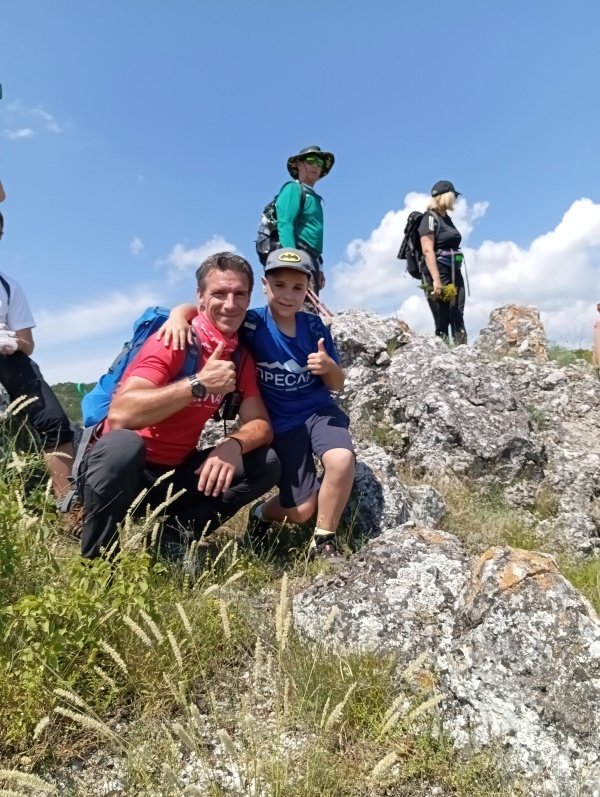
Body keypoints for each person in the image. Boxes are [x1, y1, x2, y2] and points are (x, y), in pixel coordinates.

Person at [78, 252, 280, 560]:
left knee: (266, 462)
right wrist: (198, 384)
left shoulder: (239, 358)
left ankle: (173, 537)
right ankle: (99, 562)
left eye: (240, 294)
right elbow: (121, 415)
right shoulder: (174, 340)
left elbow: (260, 425)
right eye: (219, 293)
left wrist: (232, 445)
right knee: (124, 445)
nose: (230, 304)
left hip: (172, 475)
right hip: (121, 472)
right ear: (200, 297)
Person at [162, 248, 355, 562]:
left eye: (297, 287)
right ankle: (261, 514)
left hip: (319, 412)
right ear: (265, 286)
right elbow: (203, 310)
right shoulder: (251, 324)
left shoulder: (315, 328)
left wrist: (328, 367)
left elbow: (337, 384)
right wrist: (176, 316)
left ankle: (324, 541)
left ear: (308, 290)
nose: (288, 295)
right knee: (301, 510)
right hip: (282, 424)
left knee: (341, 461)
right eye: (279, 285)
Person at [0, 211, 75, 499]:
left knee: (55, 422)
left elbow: (27, 343)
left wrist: (10, 341)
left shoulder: (9, 286)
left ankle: (68, 506)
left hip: (8, 357)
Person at [274, 145, 335, 302]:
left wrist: (319, 267)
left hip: (311, 259)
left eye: (319, 163)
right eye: (310, 160)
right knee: (301, 306)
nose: (315, 165)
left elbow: (314, 238)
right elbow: (285, 224)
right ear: (299, 164)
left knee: (310, 308)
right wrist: (292, 263)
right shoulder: (293, 189)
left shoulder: (314, 197)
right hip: (299, 256)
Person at [419, 180, 468, 345]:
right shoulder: (429, 218)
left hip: (455, 271)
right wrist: (436, 280)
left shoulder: (446, 218)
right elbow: (427, 250)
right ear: (447, 196)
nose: (455, 200)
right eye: (454, 196)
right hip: (439, 272)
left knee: (458, 312)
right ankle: (442, 351)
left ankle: (462, 351)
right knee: (443, 316)